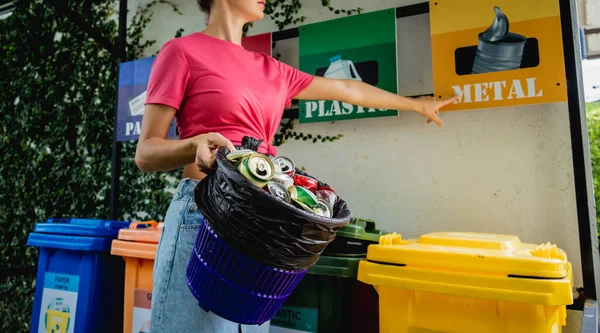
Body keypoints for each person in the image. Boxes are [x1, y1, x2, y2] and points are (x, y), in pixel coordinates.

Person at [134, 0, 458, 332]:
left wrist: (416, 105)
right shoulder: (181, 52)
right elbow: (146, 153)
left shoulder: (271, 69)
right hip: (205, 213)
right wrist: (193, 145)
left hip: (263, 220)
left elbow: (348, 89)